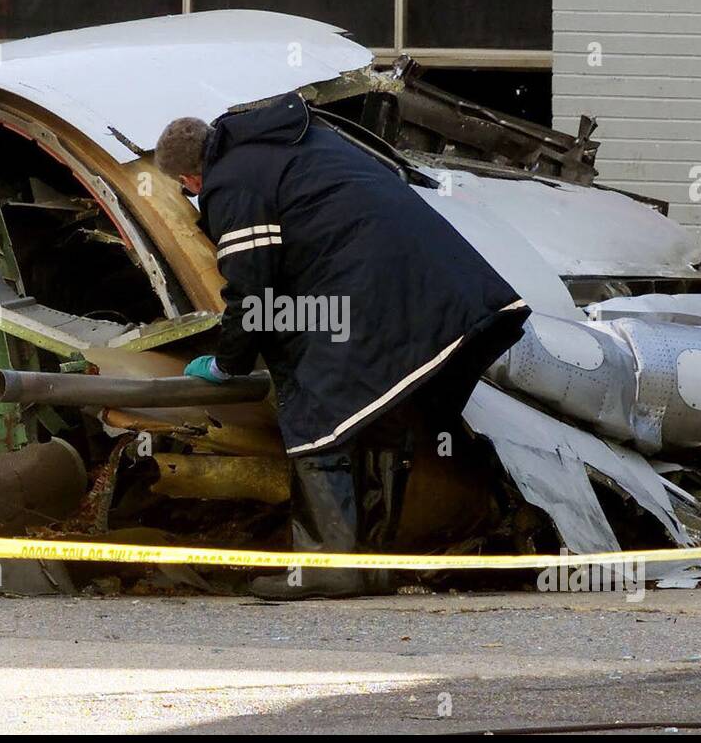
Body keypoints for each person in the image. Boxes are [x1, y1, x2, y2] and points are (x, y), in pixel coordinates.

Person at [155, 93, 529, 599]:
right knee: (375, 414)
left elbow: (253, 288)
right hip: (432, 288)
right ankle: (370, 565)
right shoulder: (299, 143)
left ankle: (326, 566)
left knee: (314, 411)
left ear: (189, 180)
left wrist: (227, 363)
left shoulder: (233, 181)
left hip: (369, 294)